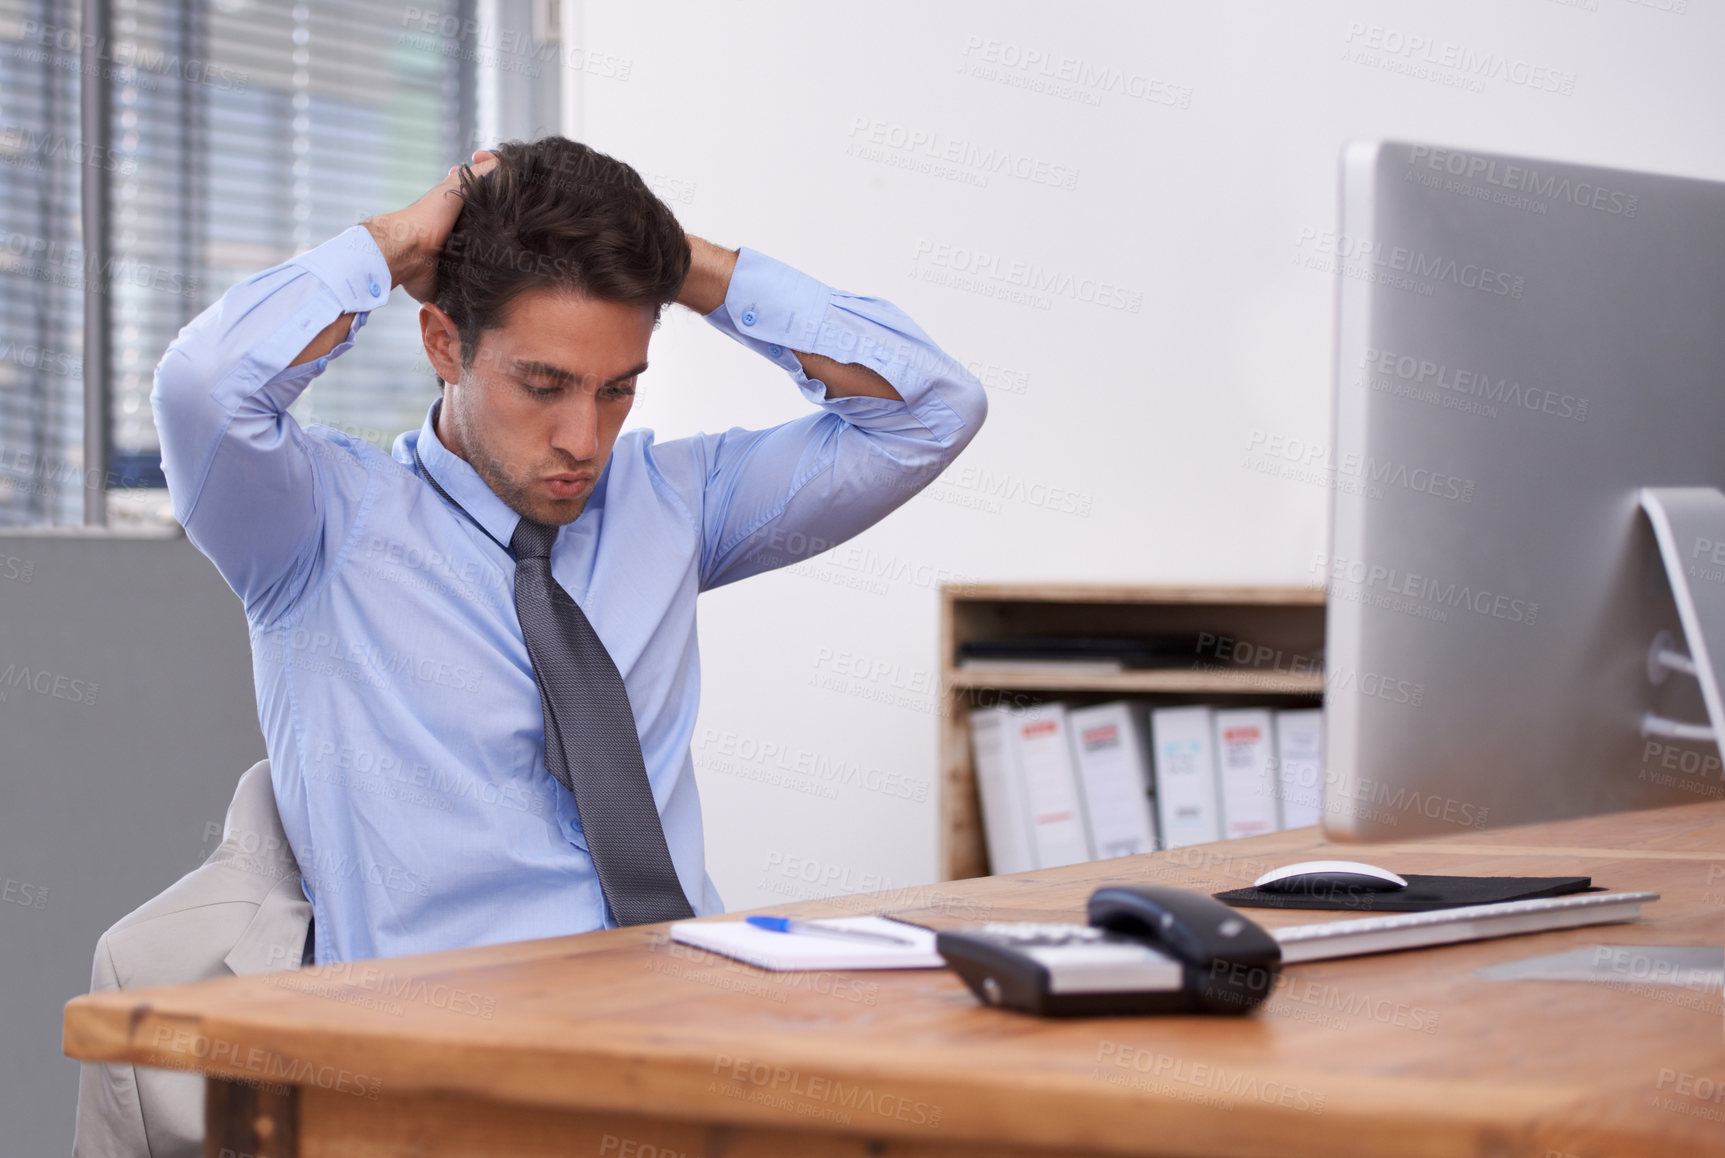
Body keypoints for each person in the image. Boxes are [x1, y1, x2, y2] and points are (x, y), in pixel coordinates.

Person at [149, 136, 988, 963]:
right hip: (437, 1057)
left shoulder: (678, 504)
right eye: (542, 387)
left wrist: (680, 263)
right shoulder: (314, 529)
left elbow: (934, 408)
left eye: (617, 388)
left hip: (691, 1013)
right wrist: (397, 242)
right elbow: (204, 386)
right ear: (443, 343)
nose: (583, 440)